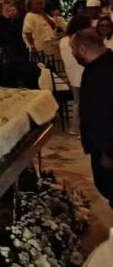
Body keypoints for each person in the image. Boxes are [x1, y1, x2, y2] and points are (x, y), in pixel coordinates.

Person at [71, 29, 113, 208]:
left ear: (82, 49)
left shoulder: (104, 73)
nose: (72, 54)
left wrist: (109, 152)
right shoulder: (98, 66)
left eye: (73, 50)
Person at [59, 14, 93, 136]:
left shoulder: (63, 40)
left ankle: (75, 128)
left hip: (72, 73)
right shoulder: (80, 40)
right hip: (83, 72)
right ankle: (83, 130)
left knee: (77, 101)